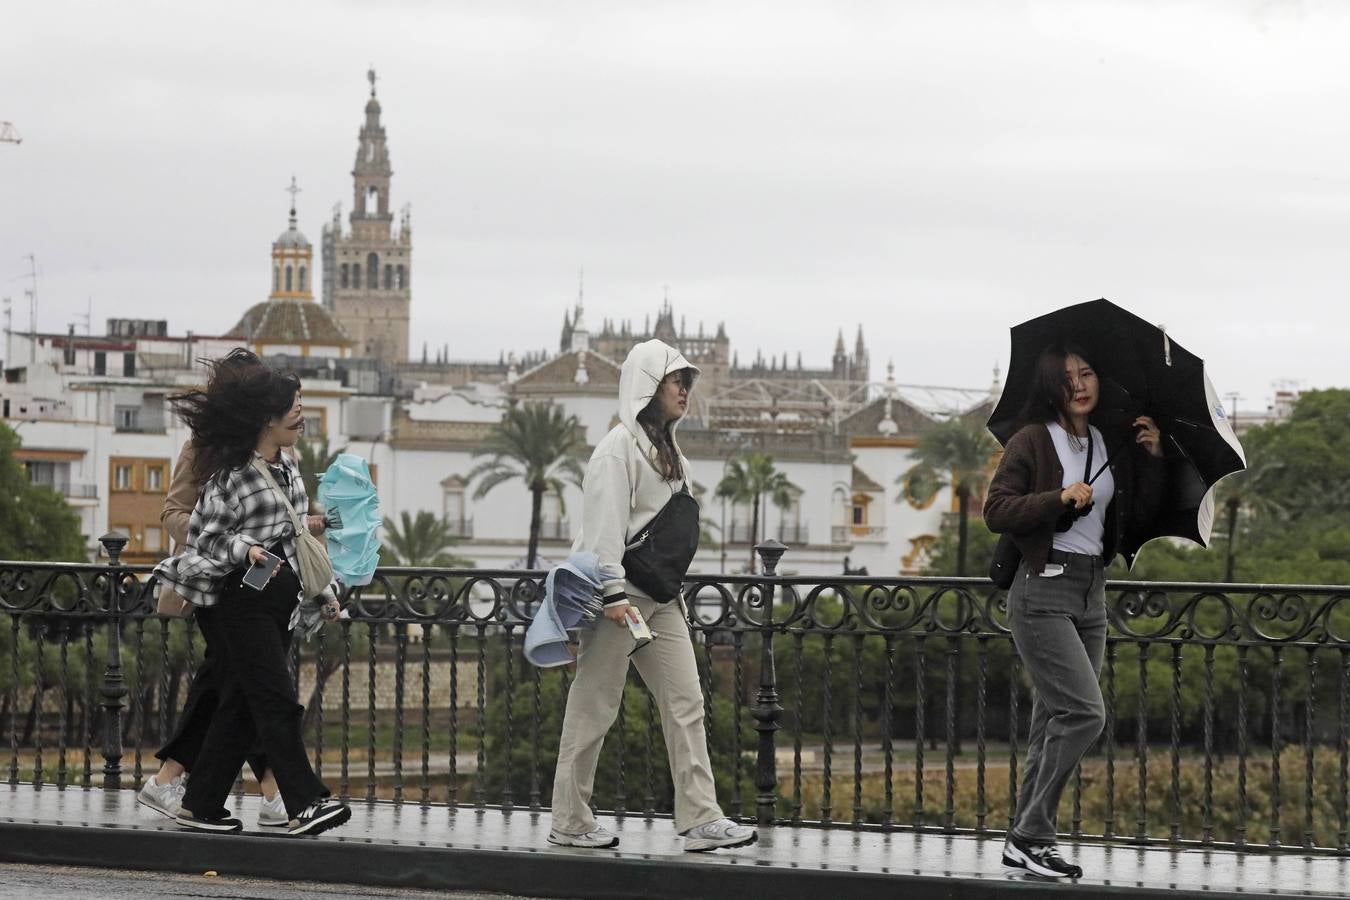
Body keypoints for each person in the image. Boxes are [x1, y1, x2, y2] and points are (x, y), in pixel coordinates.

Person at [548, 339, 757, 853]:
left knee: (686, 700)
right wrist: (613, 594)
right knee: (594, 707)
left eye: (688, 381)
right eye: (675, 381)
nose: (685, 390)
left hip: (659, 603)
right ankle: (570, 821)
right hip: (618, 603)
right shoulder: (617, 449)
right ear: (648, 385)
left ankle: (700, 819)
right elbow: (603, 528)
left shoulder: (666, 448)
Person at [984, 342, 1165, 879]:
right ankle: (1030, 834)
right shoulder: (1033, 439)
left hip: (1091, 591)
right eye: (1066, 378)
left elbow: (1137, 514)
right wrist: (1058, 499)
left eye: (1087, 373)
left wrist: (1152, 458)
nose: (1079, 384)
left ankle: (1026, 841)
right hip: (1041, 587)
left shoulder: (1109, 442)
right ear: (1050, 388)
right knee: (1085, 713)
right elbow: (997, 509)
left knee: (1054, 719)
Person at [154, 360, 348, 836]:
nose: (301, 418)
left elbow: (297, 537)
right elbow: (203, 535)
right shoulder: (232, 475)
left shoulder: (289, 469)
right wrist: (246, 547)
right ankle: (305, 803)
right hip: (239, 600)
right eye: (294, 409)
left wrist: (324, 591)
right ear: (268, 419)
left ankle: (199, 805)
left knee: (239, 706)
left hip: (278, 599)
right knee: (276, 699)